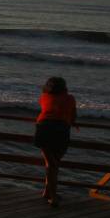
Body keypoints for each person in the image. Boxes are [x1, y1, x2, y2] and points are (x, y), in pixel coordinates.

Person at [33, 76, 77, 207]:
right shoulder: (70, 98)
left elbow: (47, 109)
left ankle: (48, 192)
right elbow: (73, 116)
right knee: (54, 164)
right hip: (61, 129)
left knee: (51, 164)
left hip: (43, 127)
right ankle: (53, 196)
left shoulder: (44, 96)